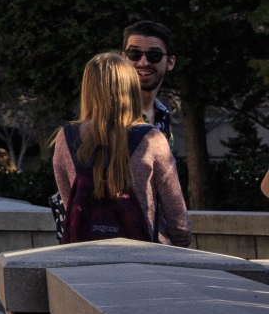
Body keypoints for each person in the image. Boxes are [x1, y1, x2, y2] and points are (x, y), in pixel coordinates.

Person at [52, 52, 190, 247]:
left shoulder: (65, 137)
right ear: (131, 88)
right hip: (144, 259)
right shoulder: (152, 139)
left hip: (86, 259)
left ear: (88, 89)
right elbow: (178, 220)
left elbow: (70, 203)